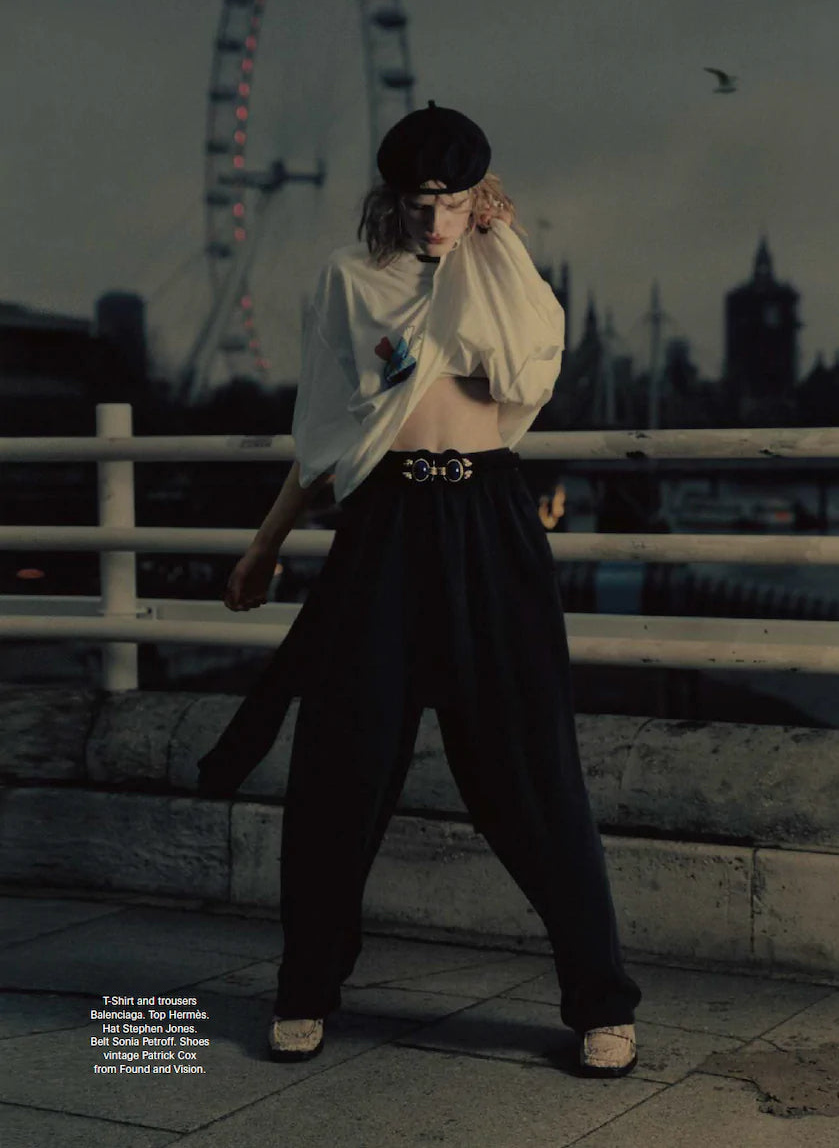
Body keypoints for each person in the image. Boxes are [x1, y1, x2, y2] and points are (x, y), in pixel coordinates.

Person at [197, 100, 642, 1077]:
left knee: (537, 773)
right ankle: (305, 990)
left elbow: (529, 373)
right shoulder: (349, 281)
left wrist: (502, 241)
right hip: (385, 525)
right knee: (338, 766)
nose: (435, 220)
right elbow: (323, 431)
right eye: (418, 201)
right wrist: (265, 545)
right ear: (392, 197)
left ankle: (602, 1004)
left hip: (491, 520)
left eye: (454, 200)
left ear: (481, 196)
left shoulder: (505, 274)